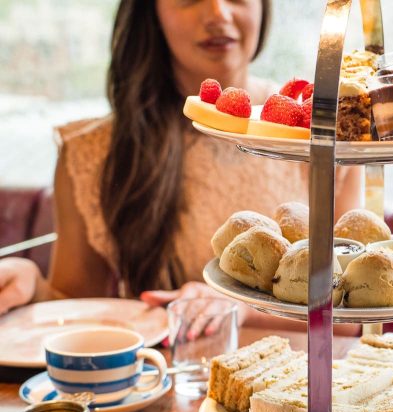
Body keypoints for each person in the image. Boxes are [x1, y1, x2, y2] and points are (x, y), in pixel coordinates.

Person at [15, 0, 361, 331]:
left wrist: (240, 309)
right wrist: (31, 290)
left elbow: (354, 315)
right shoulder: (92, 153)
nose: (218, 12)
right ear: (152, 13)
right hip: (166, 383)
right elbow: (75, 307)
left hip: (295, 381)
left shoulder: (322, 133)